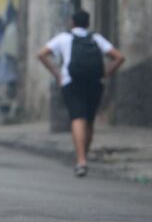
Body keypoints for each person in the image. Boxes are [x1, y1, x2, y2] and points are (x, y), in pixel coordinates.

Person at [37, 10, 124, 177]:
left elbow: (42, 54)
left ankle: (81, 160)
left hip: (71, 82)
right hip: (94, 83)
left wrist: (56, 73)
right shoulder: (96, 39)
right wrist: (106, 73)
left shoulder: (64, 38)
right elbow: (119, 57)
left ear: (72, 22)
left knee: (78, 118)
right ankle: (85, 155)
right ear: (88, 23)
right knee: (89, 120)